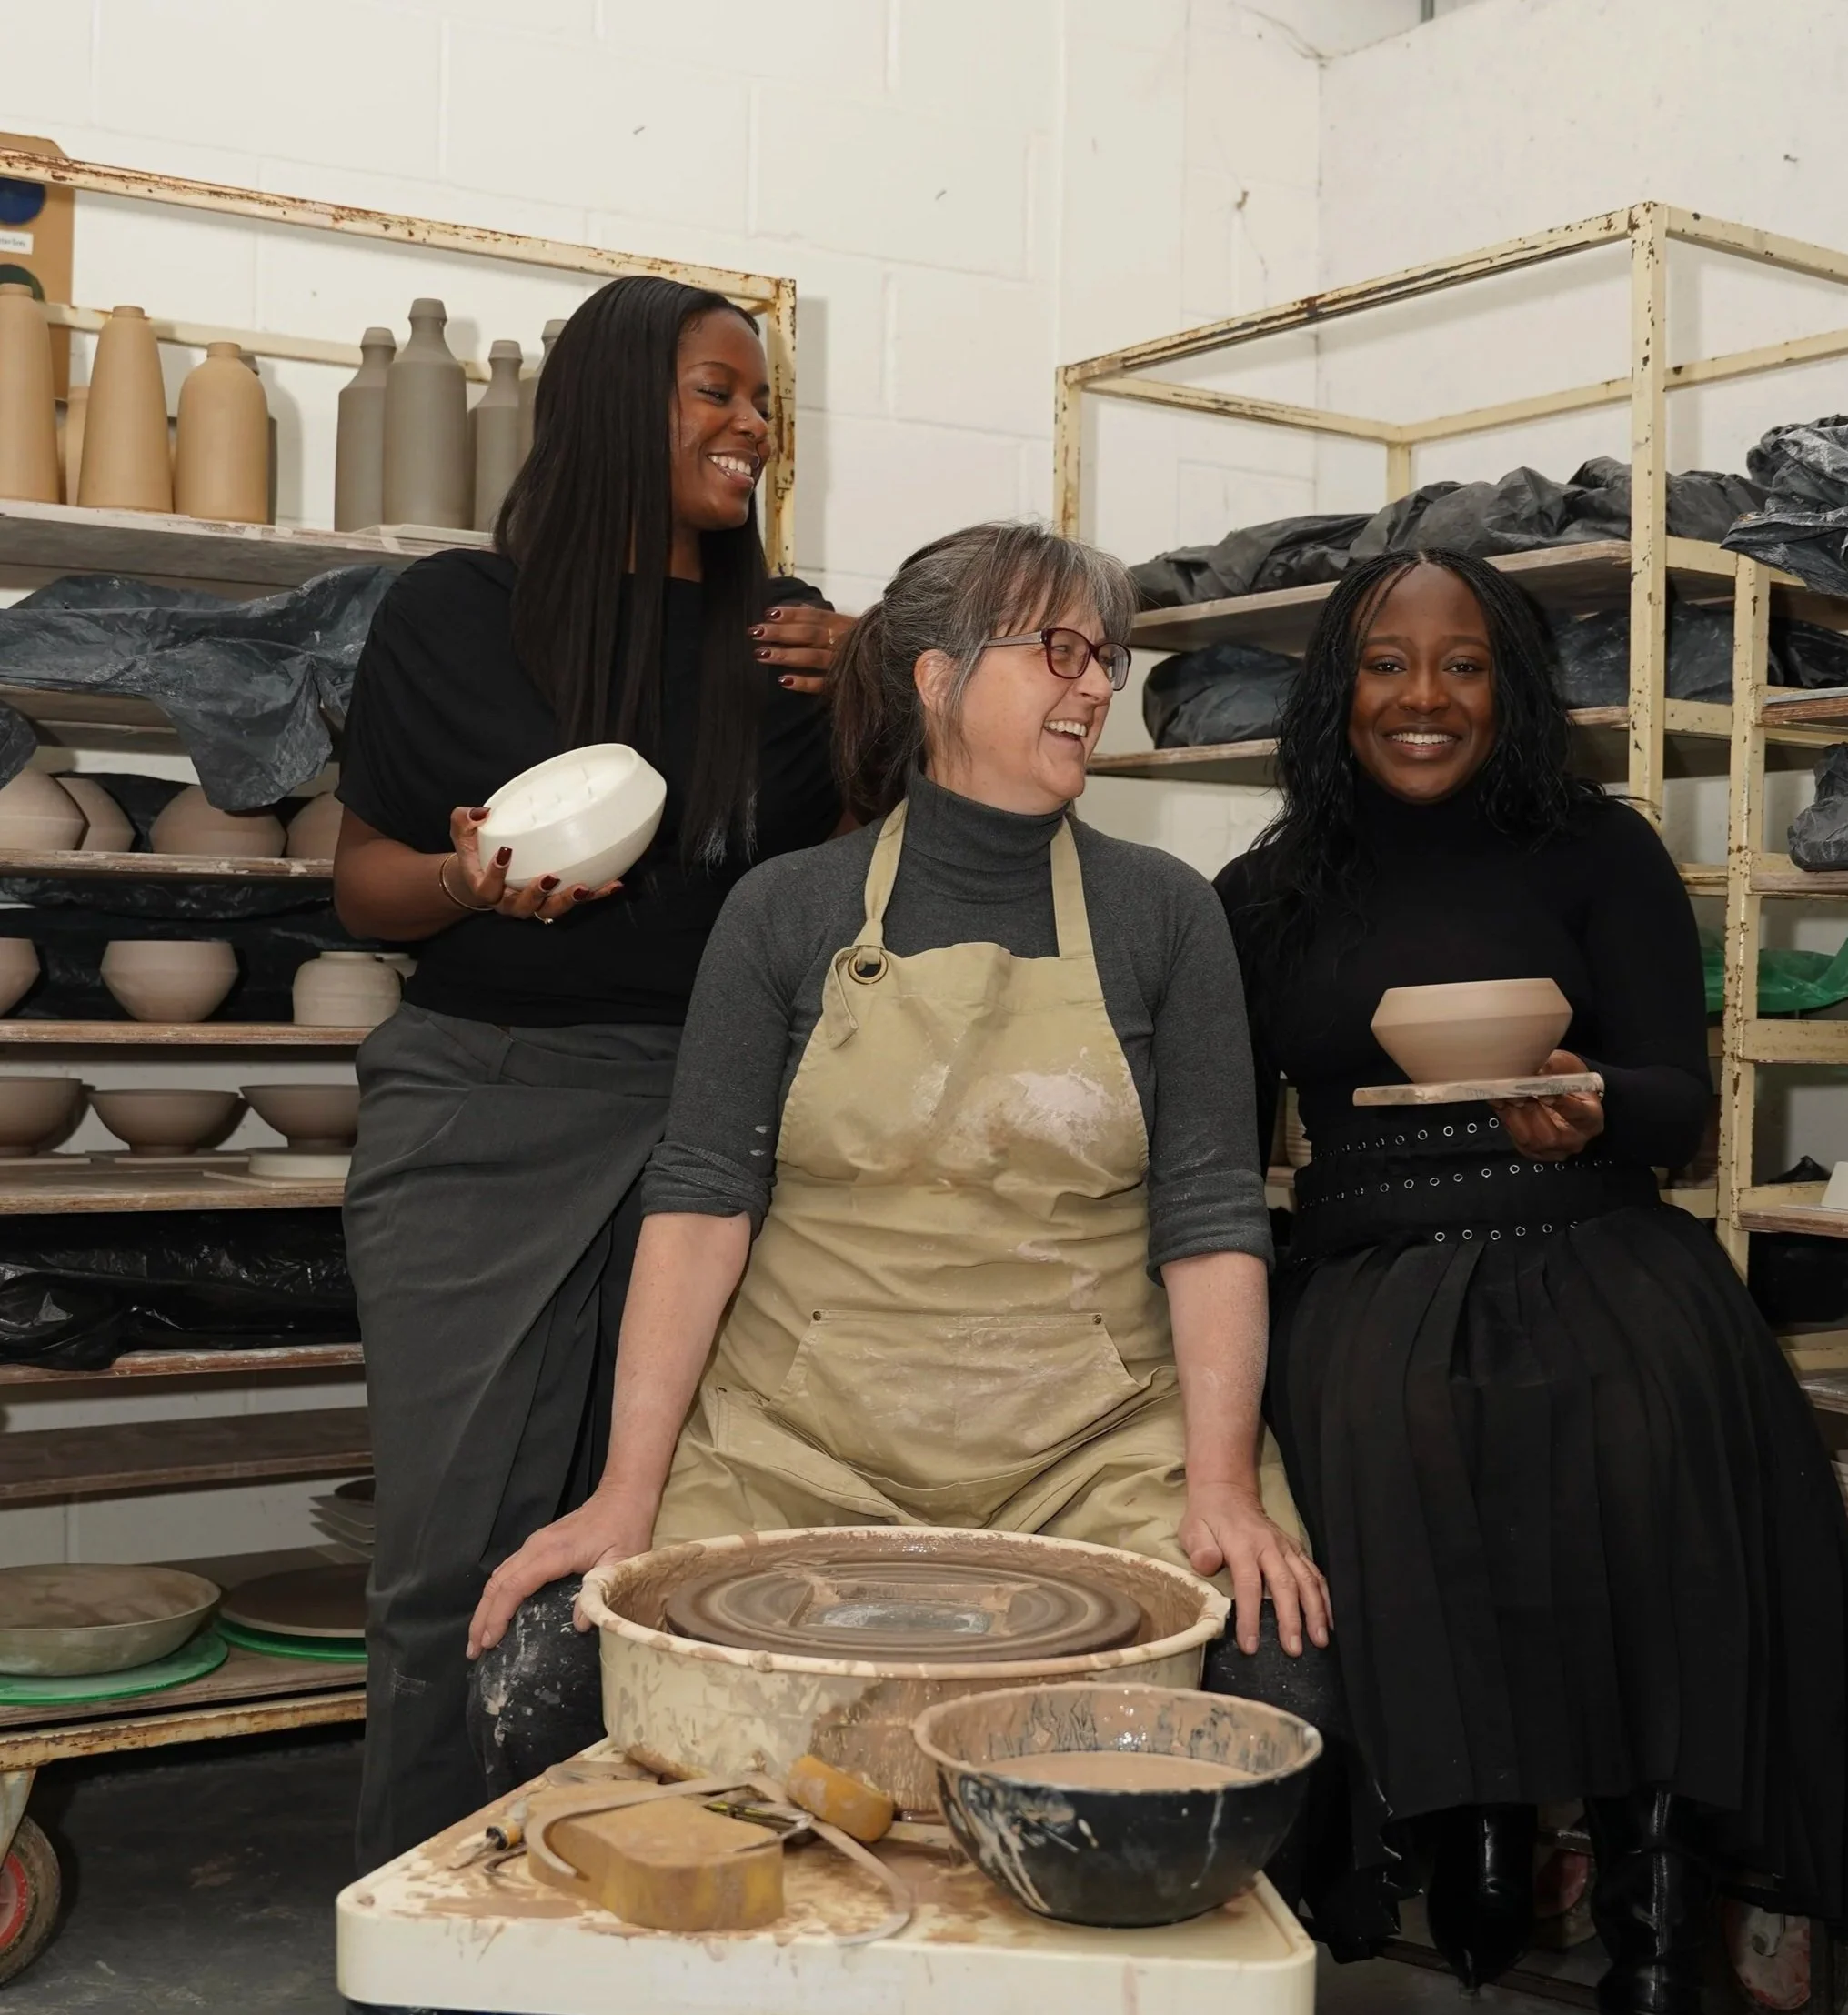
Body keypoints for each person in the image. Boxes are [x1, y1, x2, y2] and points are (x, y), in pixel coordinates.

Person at [1219, 546, 1848, 2015]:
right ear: (1331, 686)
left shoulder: (1596, 849)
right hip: (1365, 1267)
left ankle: (1653, 1994)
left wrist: (1595, 1099)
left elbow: (1676, 1105)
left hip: (1583, 1230)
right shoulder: (1264, 891)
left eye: (1461, 666)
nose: (1422, 697)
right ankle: (1470, 1825)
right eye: (1383, 663)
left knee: (1646, 1440)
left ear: (1509, 686)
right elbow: (1214, 1162)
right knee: (1384, 1435)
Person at [469, 517, 1324, 1658]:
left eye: (1106, 656)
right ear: (938, 678)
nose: (1096, 685)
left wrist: (1223, 1487)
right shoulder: (788, 910)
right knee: (560, 1661)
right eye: (1057, 651)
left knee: (1270, 1666)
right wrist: (628, 1490)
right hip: (799, 1443)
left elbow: (1213, 1211)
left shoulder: (1165, 912)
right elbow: (702, 1201)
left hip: (1095, 1444)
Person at [334, 275, 850, 1872]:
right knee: (448, 1559)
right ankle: (428, 1967)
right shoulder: (453, 614)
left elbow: (848, 890)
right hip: (484, 1100)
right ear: (618, 402)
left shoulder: (789, 646)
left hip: (722, 1115)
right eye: (715, 392)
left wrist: (879, 690)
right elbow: (361, 886)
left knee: (693, 1556)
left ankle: (640, 1925)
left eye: (762, 401)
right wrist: (467, 881)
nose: (750, 427)